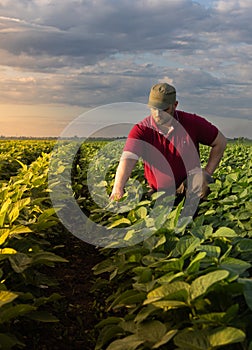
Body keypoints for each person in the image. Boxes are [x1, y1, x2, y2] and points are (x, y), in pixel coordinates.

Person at [110, 82, 227, 202]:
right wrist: (117, 188)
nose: (157, 114)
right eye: (154, 108)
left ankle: (196, 212)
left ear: (175, 105)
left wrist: (207, 172)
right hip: (157, 191)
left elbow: (220, 142)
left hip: (187, 186)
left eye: (163, 109)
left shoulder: (192, 123)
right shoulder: (142, 130)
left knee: (204, 182)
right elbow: (128, 158)